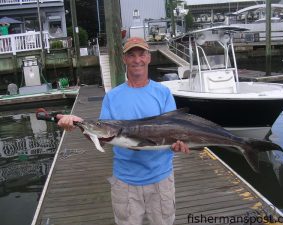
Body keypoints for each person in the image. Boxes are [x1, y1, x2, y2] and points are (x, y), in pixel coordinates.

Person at [57, 37, 189, 225]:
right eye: (131, 55)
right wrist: (80, 125)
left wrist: (177, 146)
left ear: (149, 58)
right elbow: (102, 135)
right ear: (124, 59)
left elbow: (174, 131)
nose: (137, 60)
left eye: (141, 54)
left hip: (161, 180)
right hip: (125, 182)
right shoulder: (112, 97)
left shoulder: (163, 93)